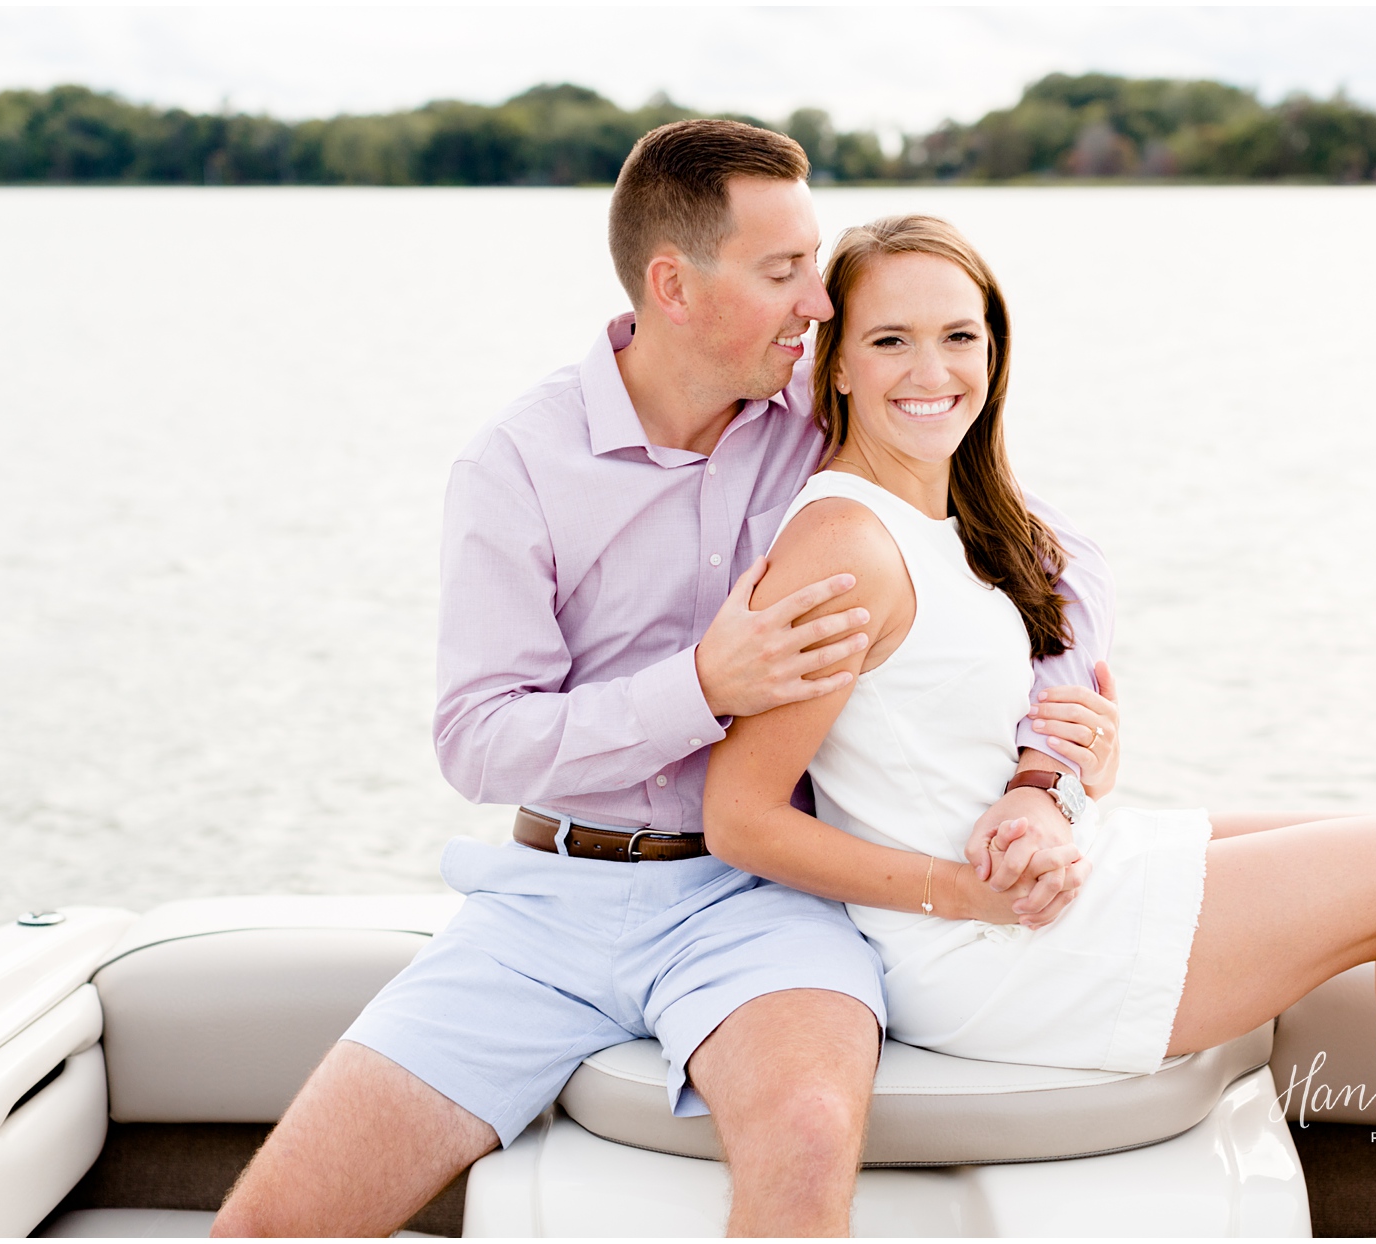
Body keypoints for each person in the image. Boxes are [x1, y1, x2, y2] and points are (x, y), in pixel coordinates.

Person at [213, 122, 1118, 1238]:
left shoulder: (823, 425)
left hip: (764, 906)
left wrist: (1046, 760)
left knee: (807, 1135)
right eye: (786, 272)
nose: (821, 306)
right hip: (544, 906)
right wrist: (698, 685)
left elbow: (1048, 564)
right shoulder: (518, 465)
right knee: (271, 1224)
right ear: (673, 284)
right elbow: (478, 740)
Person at [701, 214, 1376, 1237]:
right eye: (890, 339)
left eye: (961, 335)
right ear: (835, 369)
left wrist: (1077, 768)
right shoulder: (847, 543)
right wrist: (955, 890)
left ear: (995, 353)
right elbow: (739, 816)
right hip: (987, 946)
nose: (933, 368)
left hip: (1051, 872)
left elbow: (978, 724)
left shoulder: (959, 521)